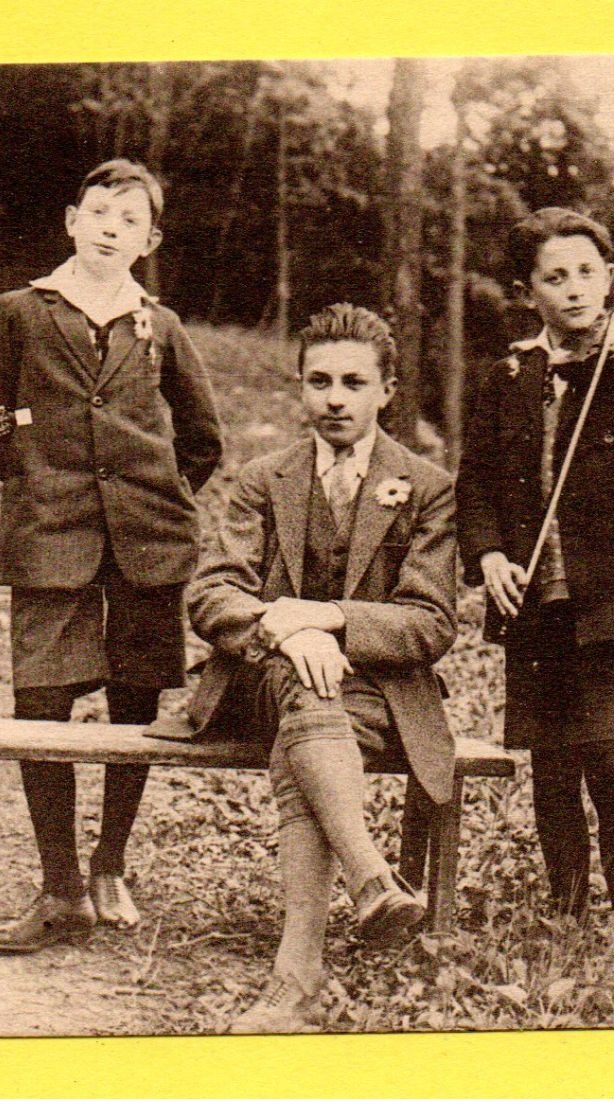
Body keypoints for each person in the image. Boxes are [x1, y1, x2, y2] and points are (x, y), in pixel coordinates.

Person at [181, 304, 456, 1033]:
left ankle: (295, 982)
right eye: (319, 381)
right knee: (302, 682)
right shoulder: (263, 479)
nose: (335, 398)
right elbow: (211, 592)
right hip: (261, 677)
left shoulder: (425, 486)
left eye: (353, 383)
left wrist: (327, 618)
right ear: (300, 387)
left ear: (385, 391)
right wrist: (277, 624)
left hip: (378, 695)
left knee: (305, 737)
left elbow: (430, 623)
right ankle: (370, 878)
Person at [0, 159, 223, 947]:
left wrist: (160, 498)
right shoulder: (20, 312)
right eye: (99, 212)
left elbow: (203, 437)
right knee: (39, 699)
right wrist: (36, 484)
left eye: (129, 219)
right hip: (49, 535)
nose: (111, 228)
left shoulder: (162, 325)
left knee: (137, 700)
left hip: (149, 544)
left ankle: (111, 861)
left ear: (148, 240)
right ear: (71, 221)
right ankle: (59, 886)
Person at [454, 207, 614, 970]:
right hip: (532, 596)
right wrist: (491, 557)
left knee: (609, 757)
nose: (573, 290)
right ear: (527, 290)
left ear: (608, 279)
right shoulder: (509, 375)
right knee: (550, 766)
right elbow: (476, 484)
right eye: (554, 277)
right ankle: (565, 914)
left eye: (586, 274)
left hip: (613, 592)